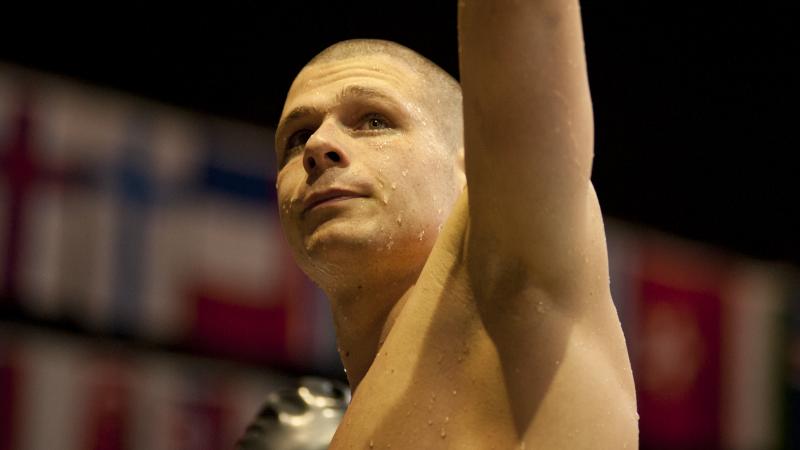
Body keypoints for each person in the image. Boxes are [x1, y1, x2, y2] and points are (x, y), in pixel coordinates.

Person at [273, 1, 638, 448]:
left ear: (469, 168)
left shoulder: (511, 264)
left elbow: (519, 19)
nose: (318, 145)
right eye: (297, 137)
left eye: (373, 121)